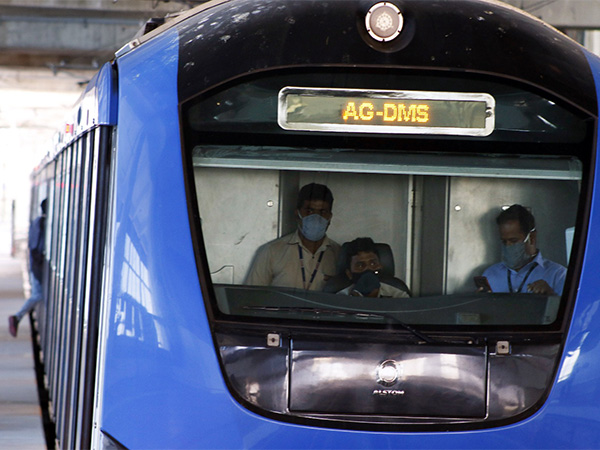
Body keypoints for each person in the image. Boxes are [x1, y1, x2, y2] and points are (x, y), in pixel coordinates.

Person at [245, 183, 340, 290]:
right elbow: (252, 296)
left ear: (330, 217)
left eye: (322, 212)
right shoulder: (272, 251)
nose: (315, 217)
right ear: (297, 214)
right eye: (309, 211)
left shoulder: (339, 254)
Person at [481, 204, 566, 295]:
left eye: (513, 241)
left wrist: (551, 296)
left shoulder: (558, 275)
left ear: (532, 237)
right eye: (504, 242)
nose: (508, 246)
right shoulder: (490, 275)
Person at [9, 199, 47, 337]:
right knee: (38, 295)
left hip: (35, 266)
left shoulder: (37, 222)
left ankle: (17, 317)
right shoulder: (41, 224)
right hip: (37, 267)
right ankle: (17, 317)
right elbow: (36, 248)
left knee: (39, 295)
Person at [337, 237, 409, 298]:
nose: (368, 269)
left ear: (380, 266)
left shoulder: (398, 296)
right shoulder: (341, 298)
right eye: (360, 265)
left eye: (373, 263)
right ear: (349, 274)